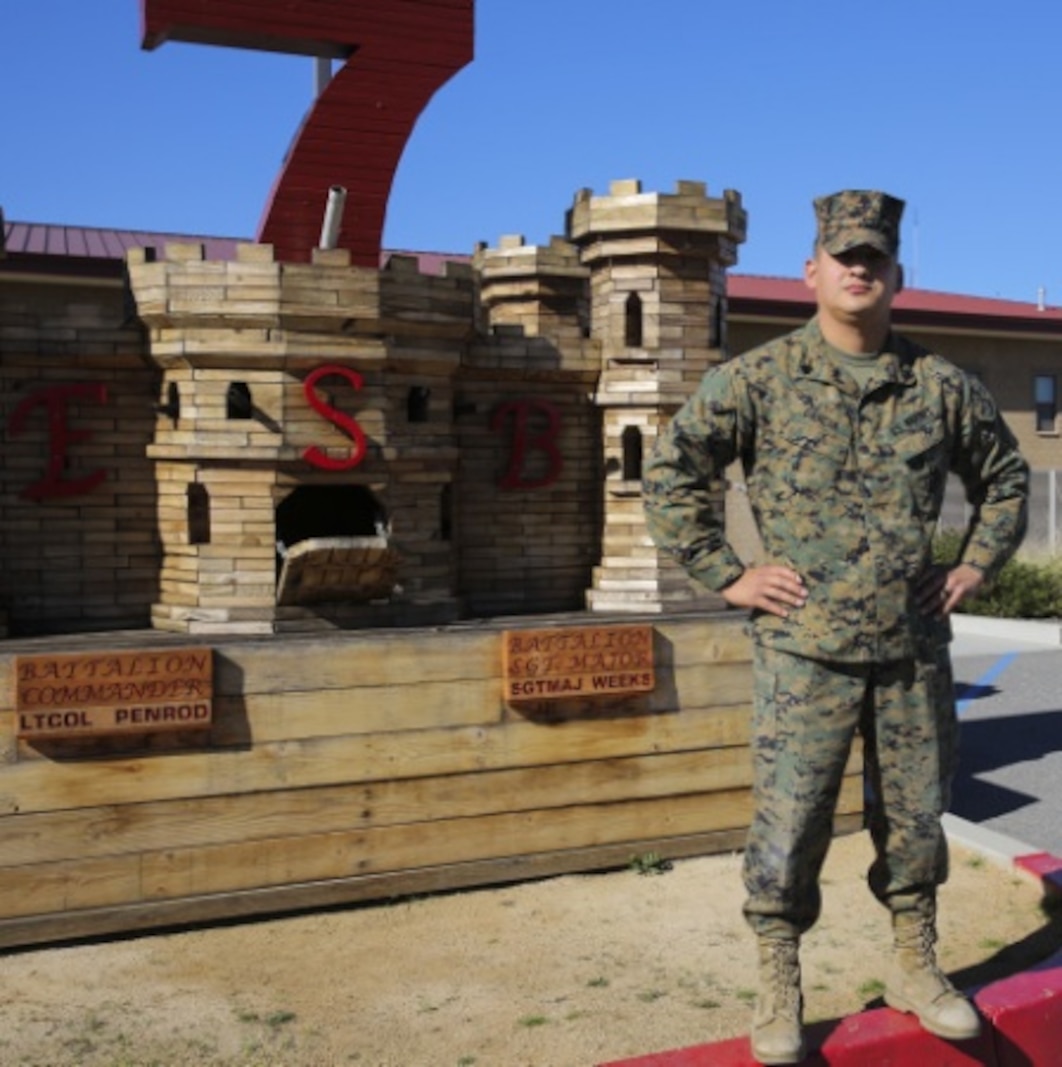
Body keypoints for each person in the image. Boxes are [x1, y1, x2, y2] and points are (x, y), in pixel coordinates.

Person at [642, 189, 1029, 1065]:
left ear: (897, 273)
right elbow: (670, 475)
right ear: (811, 271)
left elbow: (1006, 479)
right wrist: (729, 574)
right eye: (843, 257)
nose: (859, 269)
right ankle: (780, 979)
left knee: (917, 820)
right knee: (790, 824)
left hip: (909, 651)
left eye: (874, 258)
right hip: (801, 651)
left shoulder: (939, 386)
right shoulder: (759, 379)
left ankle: (914, 963)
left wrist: (974, 564)